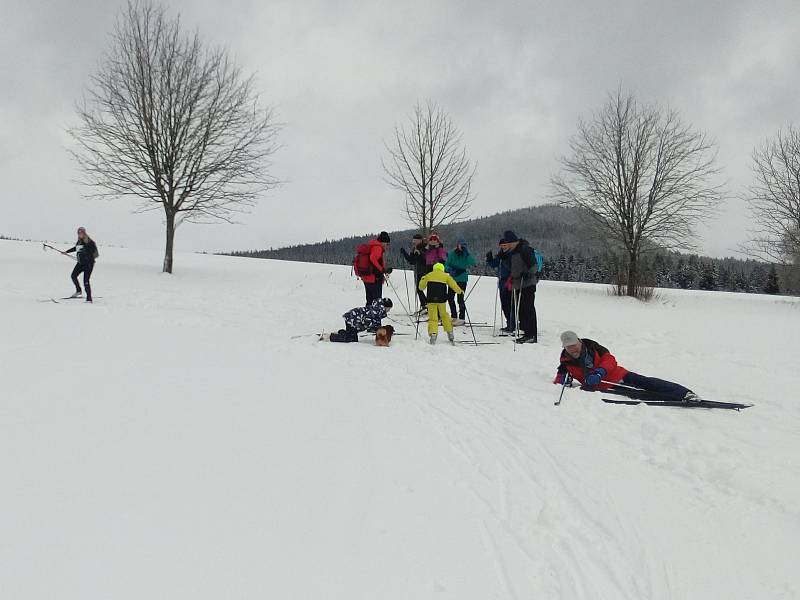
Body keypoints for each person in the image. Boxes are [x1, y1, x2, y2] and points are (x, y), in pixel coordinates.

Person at [553, 331, 701, 402]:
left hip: (618, 375)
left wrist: (599, 373)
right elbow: (560, 376)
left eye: (574, 345)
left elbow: (610, 360)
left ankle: (684, 393)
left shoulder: (593, 347)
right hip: (606, 387)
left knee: (647, 383)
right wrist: (563, 380)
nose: (573, 349)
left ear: (579, 341)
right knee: (642, 393)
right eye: (568, 347)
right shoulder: (566, 360)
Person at [500, 230, 538, 344]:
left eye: (509, 242)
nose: (508, 245)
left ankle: (531, 335)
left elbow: (534, 265)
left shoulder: (524, 249)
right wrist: (504, 258)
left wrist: (528, 273)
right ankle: (526, 332)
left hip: (527, 283)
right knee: (521, 309)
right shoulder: (513, 252)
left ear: (513, 241)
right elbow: (512, 267)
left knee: (528, 309)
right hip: (517, 284)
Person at [418, 263, 463, 345]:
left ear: (434, 268)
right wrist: (460, 291)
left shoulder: (429, 275)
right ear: (442, 269)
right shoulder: (446, 276)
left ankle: (433, 334)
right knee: (444, 315)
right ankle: (450, 333)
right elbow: (453, 285)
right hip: (442, 300)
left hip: (431, 300)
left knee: (433, 318)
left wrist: (422, 278)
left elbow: (421, 287)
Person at [486, 238, 515, 333]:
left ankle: (512, 324)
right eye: (501, 245)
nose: (503, 247)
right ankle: (509, 323)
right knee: (504, 304)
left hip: (510, 281)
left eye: (505, 245)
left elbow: (513, 267)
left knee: (509, 304)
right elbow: (494, 265)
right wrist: (490, 259)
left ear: (509, 245)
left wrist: (504, 259)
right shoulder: (500, 255)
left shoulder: (511, 254)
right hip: (502, 282)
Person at [358, 231, 392, 305]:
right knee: (377, 301)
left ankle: (367, 314)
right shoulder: (378, 248)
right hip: (374, 279)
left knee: (369, 299)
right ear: (383, 242)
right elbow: (372, 258)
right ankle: (375, 315)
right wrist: (381, 269)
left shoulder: (372, 246)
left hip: (367, 277)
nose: (387, 246)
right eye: (387, 244)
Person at [445, 238, 475, 323]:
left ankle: (462, 318)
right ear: (457, 245)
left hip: (462, 278)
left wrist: (468, 254)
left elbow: (472, 262)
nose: (462, 246)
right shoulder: (451, 254)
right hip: (452, 278)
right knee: (450, 297)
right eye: (461, 244)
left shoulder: (466, 254)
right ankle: (454, 316)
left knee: (460, 298)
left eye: (464, 245)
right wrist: (450, 269)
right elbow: (446, 264)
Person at [64, 226, 98, 302]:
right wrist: (66, 252)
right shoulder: (79, 241)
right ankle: (78, 291)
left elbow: (92, 252)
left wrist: (85, 254)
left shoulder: (89, 241)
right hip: (80, 263)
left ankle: (89, 298)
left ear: (84, 233)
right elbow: (76, 248)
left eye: (81, 233)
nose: (80, 234)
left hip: (88, 264)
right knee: (73, 276)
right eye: (78, 233)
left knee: (86, 280)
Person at [400, 233, 429, 312]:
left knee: (423, 289)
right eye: (414, 240)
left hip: (426, 272)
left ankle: (427, 305)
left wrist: (419, 255)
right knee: (419, 289)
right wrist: (404, 253)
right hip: (418, 271)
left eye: (416, 240)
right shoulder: (414, 249)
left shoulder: (425, 248)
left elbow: (426, 260)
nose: (414, 241)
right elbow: (411, 261)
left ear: (420, 240)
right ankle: (425, 305)